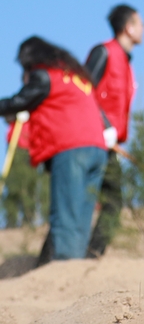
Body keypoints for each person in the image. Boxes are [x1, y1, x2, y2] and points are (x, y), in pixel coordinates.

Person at [0, 37, 108, 265]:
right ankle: (74, 268)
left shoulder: (44, 74)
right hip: (97, 148)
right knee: (81, 216)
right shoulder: (75, 76)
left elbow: (21, 100)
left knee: (66, 216)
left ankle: (64, 268)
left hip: (71, 148)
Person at [85, 4, 144, 258]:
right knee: (88, 200)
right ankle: (76, 256)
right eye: (140, 23)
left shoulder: (127, 65)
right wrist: (104, 127)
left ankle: (92, 255)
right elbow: (83, 91)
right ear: (128, 28)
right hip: (91, 140)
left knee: (113, 201)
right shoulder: (104, 52)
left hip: (110, 145)